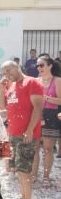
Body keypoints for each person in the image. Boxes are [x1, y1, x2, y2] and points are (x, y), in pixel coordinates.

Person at [0, 61, 43, 199]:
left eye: (9, 70)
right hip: (13, 133)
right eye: (4, 72)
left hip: (26, 134)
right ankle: (23, 196)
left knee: (24, 169)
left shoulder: (32, 82)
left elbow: (38, 107)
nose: (6, 74)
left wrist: (30, 130)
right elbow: (2, 106)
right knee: (16, 168)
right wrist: (1, 89)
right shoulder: (12, 86)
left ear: (17, 67)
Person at [33, 56, 61, 184]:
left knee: (48, 149)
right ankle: (33, 175)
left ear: (50, 66)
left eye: (42, 65)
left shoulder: (57, 81)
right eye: (37, 66)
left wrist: (45, 98)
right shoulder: (35, 80)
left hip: (52, 115)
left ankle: (46, 176)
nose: (39, 68)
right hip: (36, 114)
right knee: (35, 147)